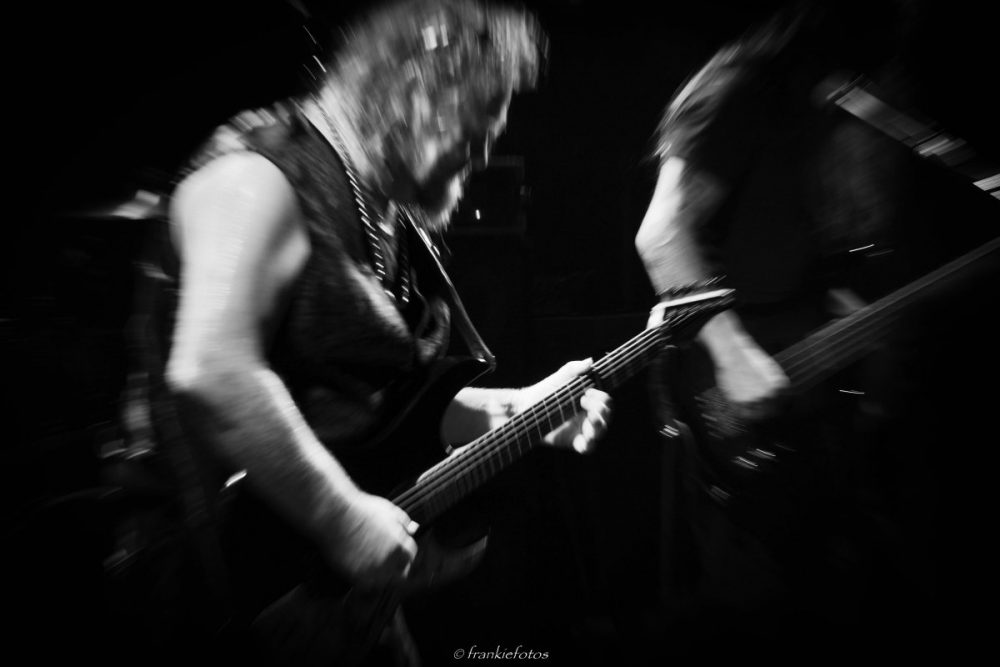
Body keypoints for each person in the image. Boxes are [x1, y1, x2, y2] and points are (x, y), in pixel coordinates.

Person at [103, 1, 612, 665]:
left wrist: (525, 409)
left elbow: (374, 405)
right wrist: (339, 516)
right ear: (421, 84)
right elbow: (214, 371)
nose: (485, 152)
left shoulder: (388, 214)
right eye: (482, 123)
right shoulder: (256, 181)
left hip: (326, 596)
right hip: (217, 603)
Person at [632, 0, 997, 654]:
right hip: (727, 397)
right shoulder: (738, 87)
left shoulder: (828, 99)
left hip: (816, 407)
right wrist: (733, 354)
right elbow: (662, 234)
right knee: (757, 613)